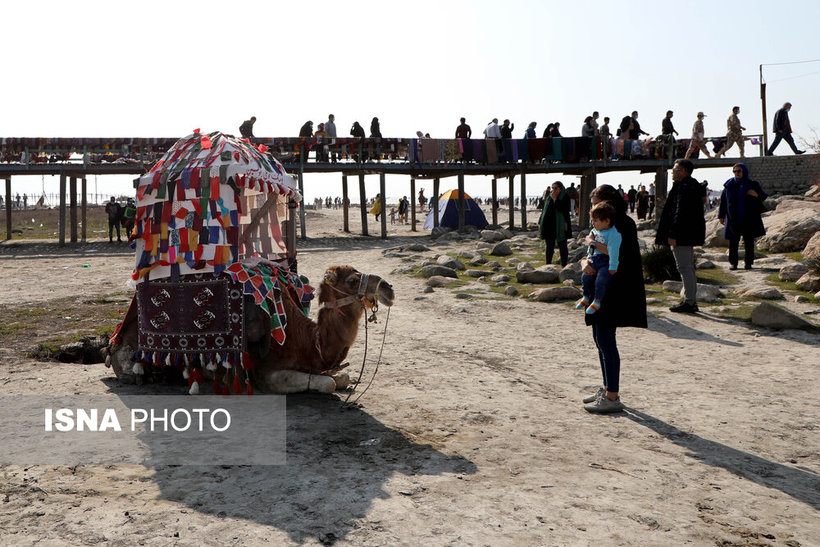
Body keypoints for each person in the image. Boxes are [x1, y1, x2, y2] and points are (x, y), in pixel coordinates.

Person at [581, 184, 647, 413]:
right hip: (600, 287)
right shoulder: (602, 224)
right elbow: (593, 252)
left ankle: (612, 396)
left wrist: (592, 245)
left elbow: (620, 254)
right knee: (599, 339)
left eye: (596, 204)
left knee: (607, 341)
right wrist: (585, 264)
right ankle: (607, 387)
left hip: (614, 289)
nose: (593, 210)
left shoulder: (623, 224)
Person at [655, 159, 706, 313]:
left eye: (675, 168)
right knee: (688, 267)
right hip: (688, 232)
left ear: (683, 171)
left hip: (682, 233)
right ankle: (691, 300)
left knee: (684, 267)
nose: (672, 171)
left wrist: (673, 233)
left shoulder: (685, 188)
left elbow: (681, 213)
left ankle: (690, 302)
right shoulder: (689, 186)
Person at [718, 163, 767, 270]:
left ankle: (748, 263)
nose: (736, 173)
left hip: (748, 217)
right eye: (734, 171)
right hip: (733, 218)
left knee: (749, 242)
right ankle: (733, 263)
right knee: (733, 242)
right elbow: (723, 202)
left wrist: (756, 194)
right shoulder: (729, 185)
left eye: (739, 171)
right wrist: (721, 216)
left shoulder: (752, 184)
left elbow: (763, 196)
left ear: (744, 171)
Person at [576, 202, 622, 315]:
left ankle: (597, 301)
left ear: (607, 221)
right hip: (594, 258)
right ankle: (586, 296)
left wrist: (613, 266)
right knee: (585, 277)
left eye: (596, 220)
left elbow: (613, 252)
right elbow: (590, 246)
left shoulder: (613, 234)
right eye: (593, 220)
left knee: (600, 280)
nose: (593, 223)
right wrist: (588, 257)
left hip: (605, 261)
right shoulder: (595, 231)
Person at [538, 181, 572, 267]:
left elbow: (564, 209)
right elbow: (545, 211)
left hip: (560, 225)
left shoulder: (565, 197)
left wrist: (555, 200)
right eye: (552, 188)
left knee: (562, 245)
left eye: (555, 188)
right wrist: (540, 223)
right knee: (549, 245)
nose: (553, 190)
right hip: (549, 225)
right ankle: (548, 264)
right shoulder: (549, 197)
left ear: (560, 188)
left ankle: (564, 264)